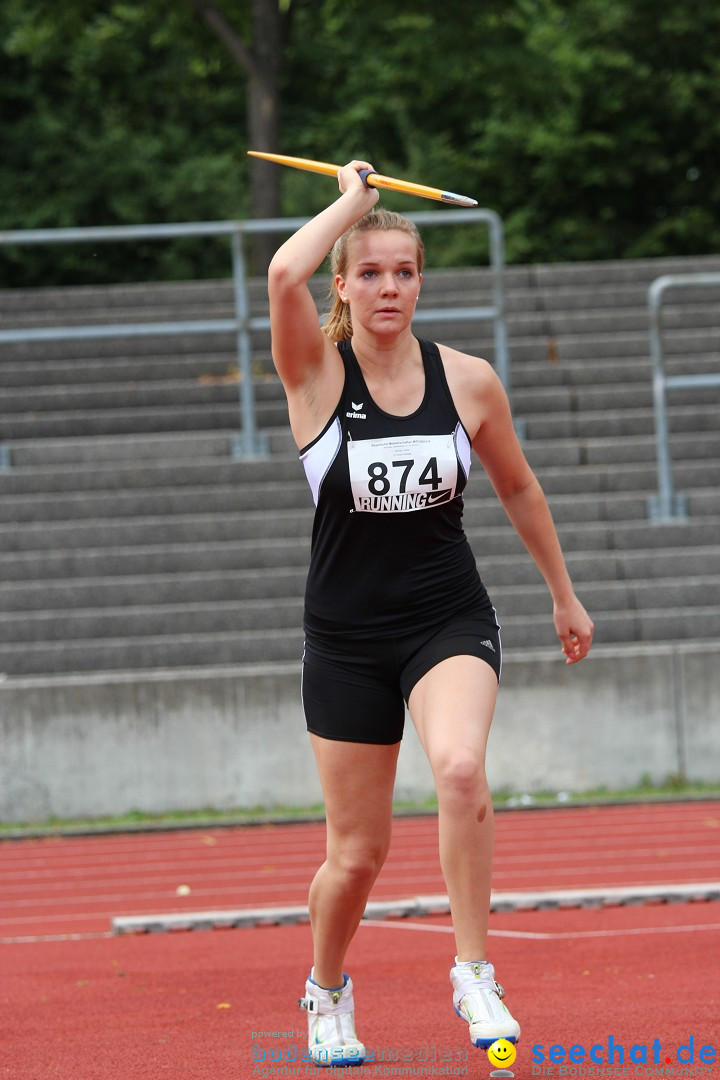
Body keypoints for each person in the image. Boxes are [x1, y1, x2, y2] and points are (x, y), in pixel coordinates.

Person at [267, 160, 594, 1068]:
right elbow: (280, 277)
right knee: (357, 856)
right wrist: (352, 205)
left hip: (447, 617)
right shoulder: (315, 375)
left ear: (421, 284)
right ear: (344, 282)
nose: (388, 289)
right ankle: (326, 990)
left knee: (459, 769)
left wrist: (563, 594)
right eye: (369, 272)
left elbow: (520, 488)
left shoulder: (470, 381)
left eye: (404, 273)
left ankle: (474, 971)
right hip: (344, 641)